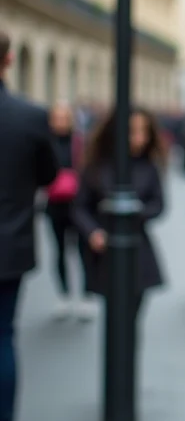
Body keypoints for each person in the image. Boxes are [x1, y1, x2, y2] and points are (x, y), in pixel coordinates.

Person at [0, 32, 59, 421]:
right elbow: (49, 175)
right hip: (10, 242)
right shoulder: (29, 116)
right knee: (3, 336)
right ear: (7, 60)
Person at [72, 108, 166, 326]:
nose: (139, 138)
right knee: (115, 319)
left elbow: (158, 205)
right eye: (133, 131)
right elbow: (79, 206)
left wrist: (133, 213)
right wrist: (93, 232)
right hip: (104, 251)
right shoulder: (96, 164)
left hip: (137, 247)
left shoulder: (149, 166)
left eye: (144, 131)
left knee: (132, 319)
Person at [43, 100, 94, 321]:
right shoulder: (45, 143)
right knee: (60, 250)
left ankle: (85, 295)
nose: (60, 122)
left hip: (79, 204)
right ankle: (63, 295)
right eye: (57, 118)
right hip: (55, 204)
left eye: (64, 118)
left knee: (83, 251)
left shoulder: (81, 143)